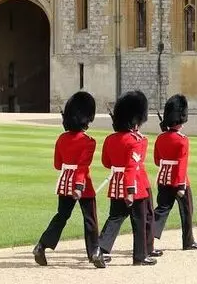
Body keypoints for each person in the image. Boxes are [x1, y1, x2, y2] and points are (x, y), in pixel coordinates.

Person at [33, 91, 106, 268]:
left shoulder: (62, 139)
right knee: (90, 218)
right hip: (82, 184)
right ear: (86, 118)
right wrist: (79, 186)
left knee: (62, 216)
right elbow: (82, 167)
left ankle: (41, 245)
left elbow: (58, 165)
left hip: (64, 183)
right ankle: (95, 252)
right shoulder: (89, 141)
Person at [96, 90, 159, 266]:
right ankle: (140, 256)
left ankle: (100, 250)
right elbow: (133, 167)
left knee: (115, 217)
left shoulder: (110, 139)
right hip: (135, 187)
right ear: (136, 120)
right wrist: (130, 191)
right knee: (139, 222)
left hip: (116, 184)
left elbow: (106, 163)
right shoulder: (137, 140)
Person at [153, 94, 197, 251]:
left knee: (161, 210)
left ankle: (147, 240)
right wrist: (181, 185)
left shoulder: (160, 138)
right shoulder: (182, 140)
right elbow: (182, 164)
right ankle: (188, 242)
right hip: (178, 180)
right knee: (187, 211)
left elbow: (157, 160)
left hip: (163, 178)